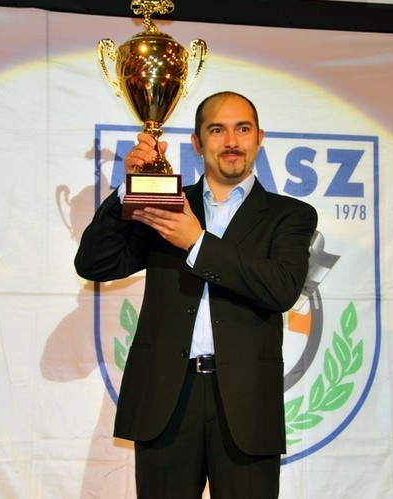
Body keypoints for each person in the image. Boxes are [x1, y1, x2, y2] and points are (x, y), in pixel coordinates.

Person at [74, 91, 318, 498]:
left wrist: (196, 242)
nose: (232, 141)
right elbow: (95, 264)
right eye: (217, 130)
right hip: (166, 400)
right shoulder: (166, 204)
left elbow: (281, 289)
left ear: (259, 138)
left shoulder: (290, 215)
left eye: (243, 129)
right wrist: (127, 191)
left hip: (246, 405)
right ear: (197, 142)